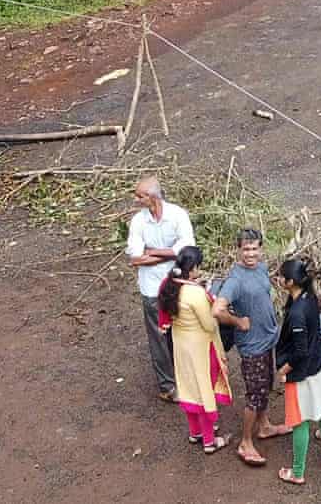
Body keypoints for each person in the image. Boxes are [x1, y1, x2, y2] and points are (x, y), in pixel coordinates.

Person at [214, 227, 288, 466]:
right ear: (238, 250)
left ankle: (264, 426)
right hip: (252, 347)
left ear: (261, 249)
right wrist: (237, 321)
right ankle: (245, 443)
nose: (250, 254)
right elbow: (217, 309)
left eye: (254, 248)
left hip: (268, 340)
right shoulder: (235, 280)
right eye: (246, 249)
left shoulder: (261, 268)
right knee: (254, 396)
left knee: (266, 385)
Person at [157, 245, 234, 452]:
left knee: (188, 386)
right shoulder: (195, 293)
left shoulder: (168, 285)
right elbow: (209, 325)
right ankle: (209, 441)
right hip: (200, 346)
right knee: (203, 388)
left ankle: (195, 432)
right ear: (193, 268)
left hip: (181, 344)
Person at [125, 175, 194, 401]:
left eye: (140, 196)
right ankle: (167, 386)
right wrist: (169, 253)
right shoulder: (138, 221)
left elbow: (186, 249)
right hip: (152, 289)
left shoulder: (177, 215)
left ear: (153, 197)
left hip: (176, 285)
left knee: (181, 330)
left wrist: (152, 251)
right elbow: (135, 258)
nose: (136, 199)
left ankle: (185, 376)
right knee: (158, 336)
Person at [274, 257, 321, 485]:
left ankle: (297, 472)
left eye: (281, 276)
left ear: (290, 282)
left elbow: (300, 351)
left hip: (301, 373)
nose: (278, 278)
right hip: (319, 366)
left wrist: (284, 369)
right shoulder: (309, 297)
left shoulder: (296, 313)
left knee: (299, 420)